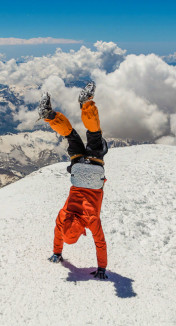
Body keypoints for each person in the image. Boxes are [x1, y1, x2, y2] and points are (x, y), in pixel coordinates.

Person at [40, 82, 109, 280]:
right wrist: (57, 252)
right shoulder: (63, 216)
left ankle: (86, 103)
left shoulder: (91, 221)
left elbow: (100, 243)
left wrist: (102, 268)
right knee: (71, 136)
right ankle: (49, 115)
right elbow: (57, 233)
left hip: (94, 168)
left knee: (94, 135)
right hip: (78, 168)